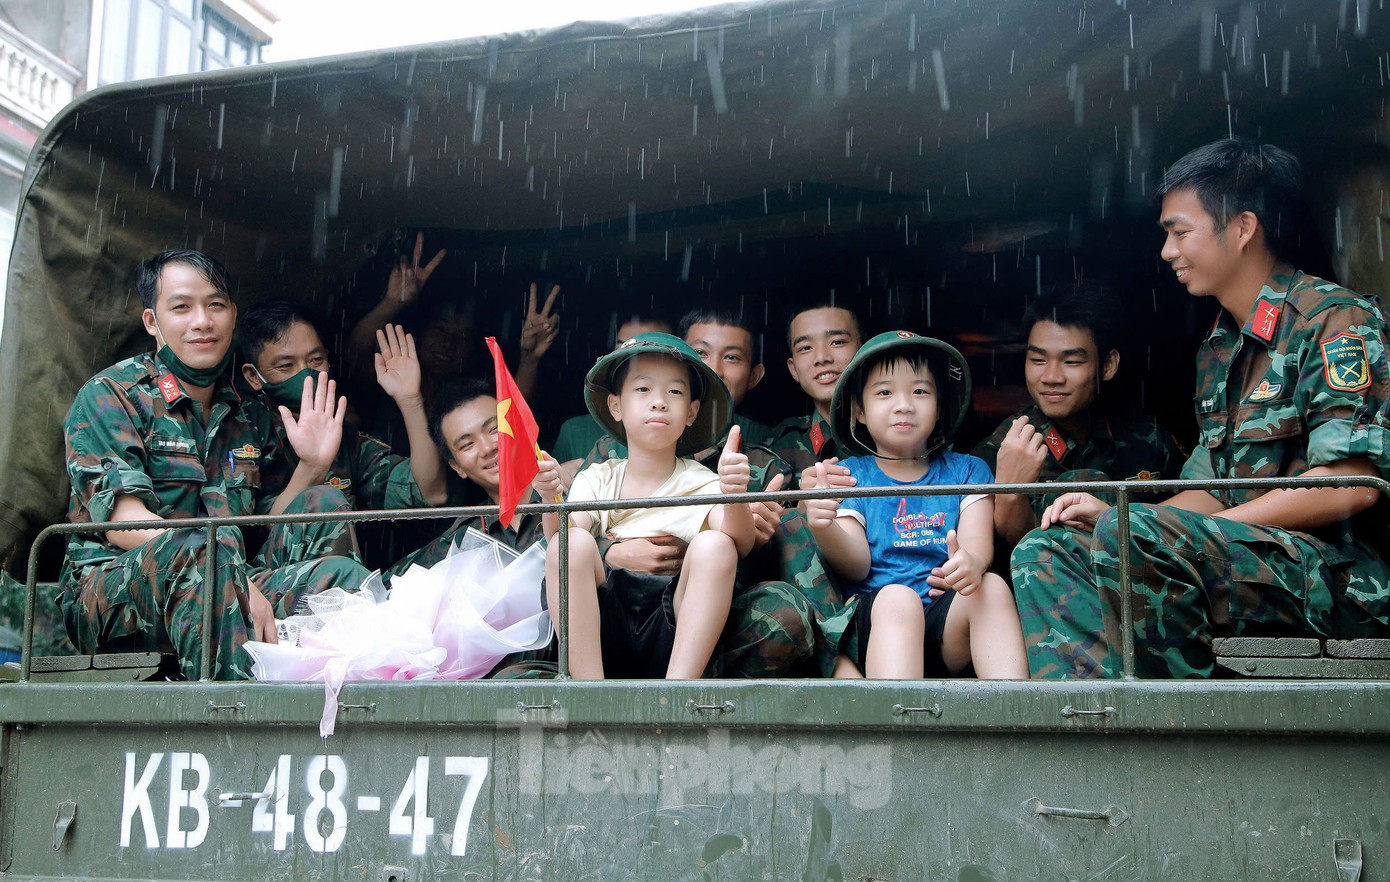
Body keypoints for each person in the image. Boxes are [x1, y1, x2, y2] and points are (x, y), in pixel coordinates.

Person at [1012, 138, 1390, 679]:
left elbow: (1351, 484)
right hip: (1240, 559)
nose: (1167, 251)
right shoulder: (1219, 347)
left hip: (1338, 579)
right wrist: (1128, 518)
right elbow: (1208, 488)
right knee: (1048, 549)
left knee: (1135, 542)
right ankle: (1096, 723)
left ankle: (1177, 728)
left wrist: (1185, 535)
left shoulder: (1335, 322)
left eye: (1179, 232)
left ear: (1242, 227)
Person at [59, 250, 369, 681]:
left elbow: (268, 529)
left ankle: (333, 700)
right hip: (114, 594)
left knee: (326, 509)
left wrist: (313, 466)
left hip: (228, 580)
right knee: (203, 546)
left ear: (232, 316)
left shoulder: (248, 410)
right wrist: (223, 566)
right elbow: (122, 522)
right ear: (153, 322)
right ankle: (232, 720)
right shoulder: (112, 395)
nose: (202, 321)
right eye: (182, 307)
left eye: (216, 305)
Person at [803, 331, 1027, 679]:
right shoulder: (850, 476)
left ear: (939, 406)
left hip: (943, 626)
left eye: (920, 391)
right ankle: (894, 728)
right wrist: (824, 526)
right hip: (879, 626)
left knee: (991, 586)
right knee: (898, 599)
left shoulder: (967, 470)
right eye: (885, 392)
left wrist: (970, 562)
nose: (904, 404)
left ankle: (1015, 719)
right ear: (859, 410)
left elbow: (978, 543)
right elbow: (857, 566)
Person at [535, 333, 755, 679]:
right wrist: (550, 498)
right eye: (643, 390)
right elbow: (561, 539)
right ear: (616, 406)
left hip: (673, 629)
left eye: (675, 392)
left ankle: (676, 696)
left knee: (716, 544)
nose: (659, 402)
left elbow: (740, 539)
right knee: (569, 544)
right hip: (602, 630)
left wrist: (733, 493)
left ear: (692, 412)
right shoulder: (598, 479)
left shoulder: (700, 482)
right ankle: (588, 695)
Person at [971, 283, 1185, 553]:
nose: (1051, 377)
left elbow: (1188, 524)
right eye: (1038, 360)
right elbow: (1007, 549)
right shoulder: (1002, 447)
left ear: (1108, 365)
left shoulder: (1148, 438)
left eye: (1071, 362)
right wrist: (1011, 490)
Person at [238, 300, 447, 516]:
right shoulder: (244, 431)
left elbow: (431, 493)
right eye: (286, 366)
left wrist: (410, 400)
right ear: (253, 376)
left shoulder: (344, 439)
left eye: (316, 360)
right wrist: (312, 468)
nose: (306, 375)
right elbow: (261, 533)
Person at [551, 312, 671, 478]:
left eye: (649, 351)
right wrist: (554, 488)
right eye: (623, 348)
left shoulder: (693, 462)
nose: (631, 361)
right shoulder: (575, 432)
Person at [766, 303, 864, 486]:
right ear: (793, 369)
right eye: (805, 348)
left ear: (864, 350)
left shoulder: (902, 426)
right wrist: (804, 507)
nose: (822, 357)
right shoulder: (777, 448)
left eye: (837, 342)